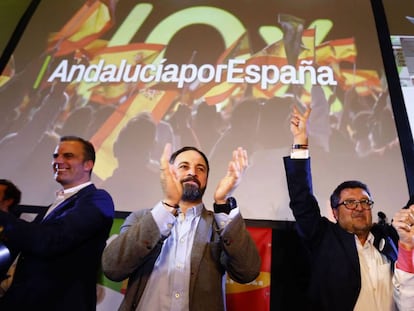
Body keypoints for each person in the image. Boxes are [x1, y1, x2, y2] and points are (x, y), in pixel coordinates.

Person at [283, 104, 414, 311]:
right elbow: (301, 198)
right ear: (334, 212)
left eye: (364, 202)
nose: (359, 207)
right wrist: (300, 143)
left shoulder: (387, 238)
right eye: (349, 203)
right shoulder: (324, 238)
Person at [102, 143, 261, 311]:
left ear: (206, 179)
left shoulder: (219, 224)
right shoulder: (141, 218)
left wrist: (222, 203)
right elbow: (113, 268)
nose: (193, 172)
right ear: (170, 173)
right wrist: (169, 204)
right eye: (184, 166)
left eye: (200, 169)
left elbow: (247, 272)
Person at [0, 135, 115, 311]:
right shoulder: (51, 207)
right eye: (55, 156)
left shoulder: (98, 199)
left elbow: (51, 240)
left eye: (68, 156)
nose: (58, 161)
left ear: (88, 165)